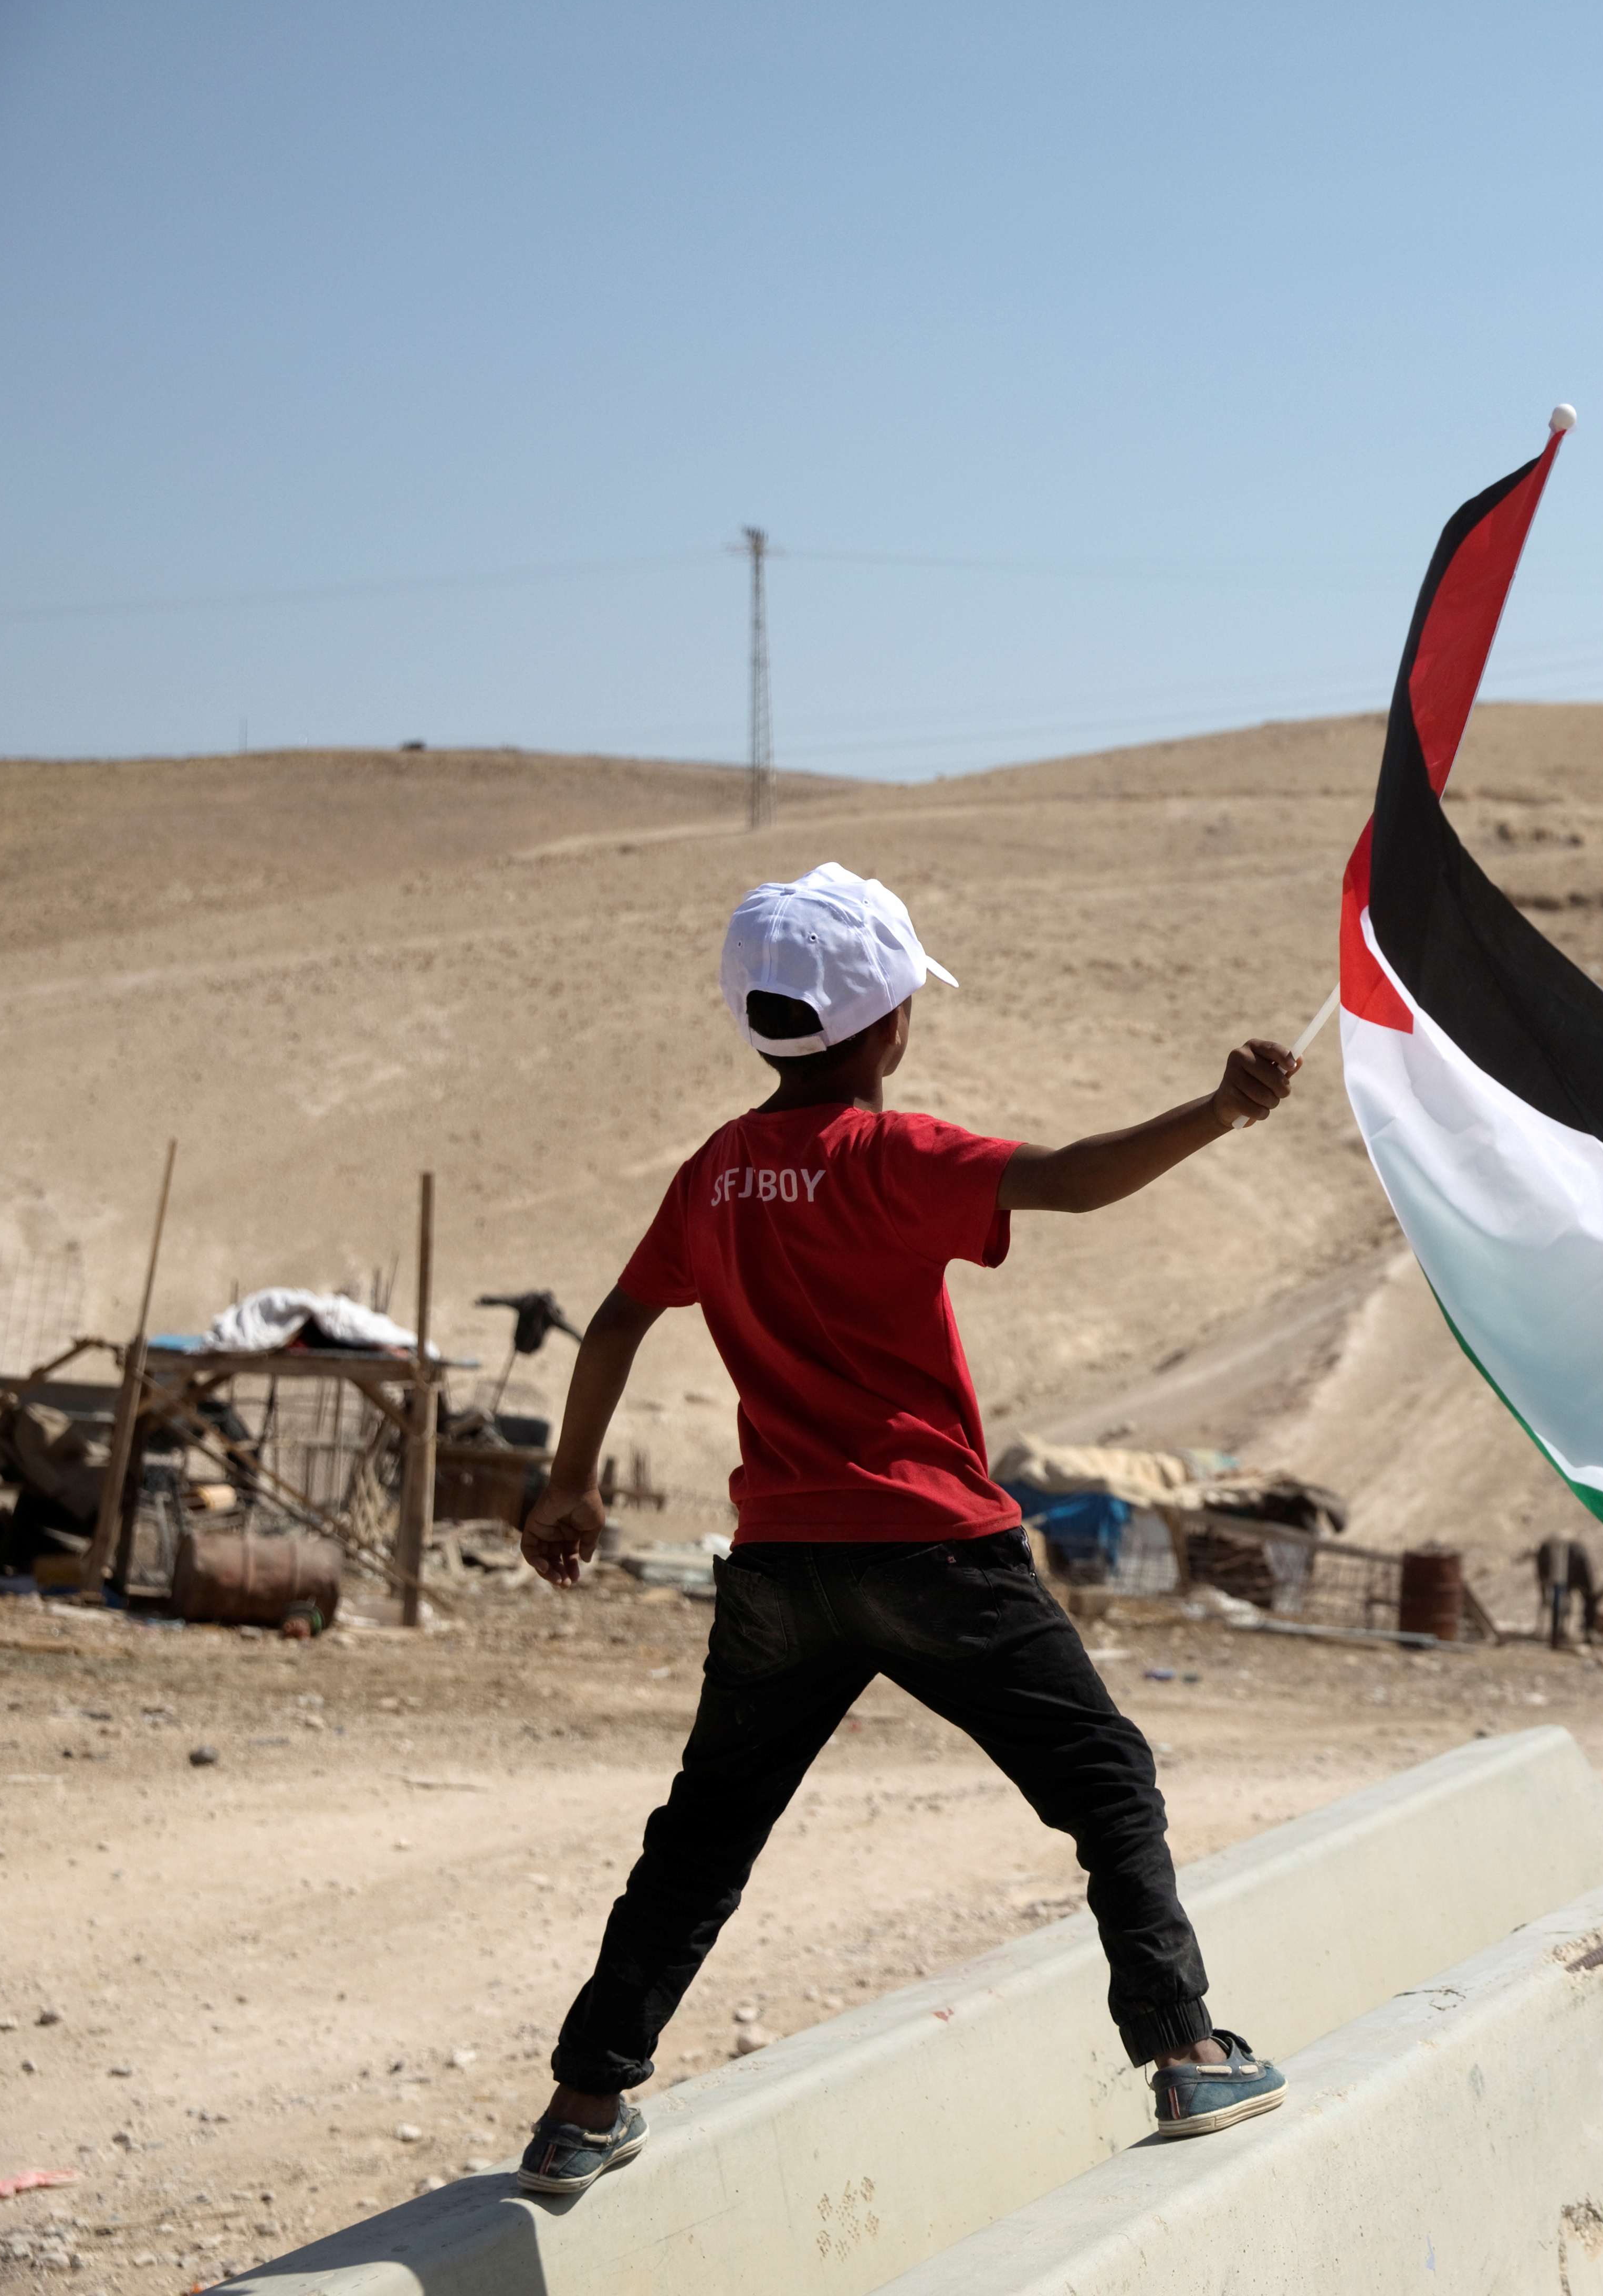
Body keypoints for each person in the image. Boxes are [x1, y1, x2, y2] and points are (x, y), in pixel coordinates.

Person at [508, 862, 1298, 2198]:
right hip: (937, 1552)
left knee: (703, 1837)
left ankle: (583, 2108)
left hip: (779, 1565)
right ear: (889, 1026)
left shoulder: (714, 1173)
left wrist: (571, 1480)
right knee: (1107, 1781)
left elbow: (624, 1316)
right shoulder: (894, 1156)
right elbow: (1074, 1178)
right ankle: (1185, 2048)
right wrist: (1222, 1110)